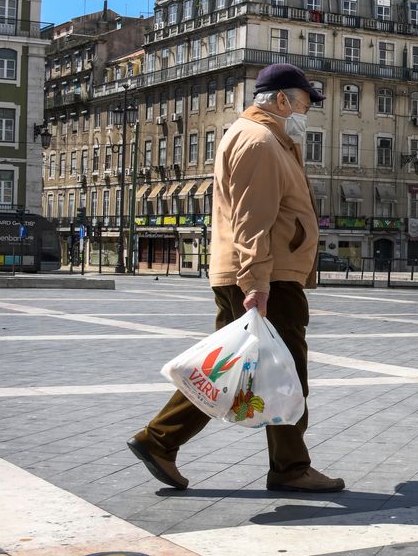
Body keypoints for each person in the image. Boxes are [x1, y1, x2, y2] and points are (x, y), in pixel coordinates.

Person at [128, 63, 344, 493]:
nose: (308, 114)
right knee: (283, 372)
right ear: (281, 100)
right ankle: (289, 468)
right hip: (269, 277)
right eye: (304, 104)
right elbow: (252, 221)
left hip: (265, 273)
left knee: (236, 370)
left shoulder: (270, 139)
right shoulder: (260, 141)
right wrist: (256, 284)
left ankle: (162, 440)